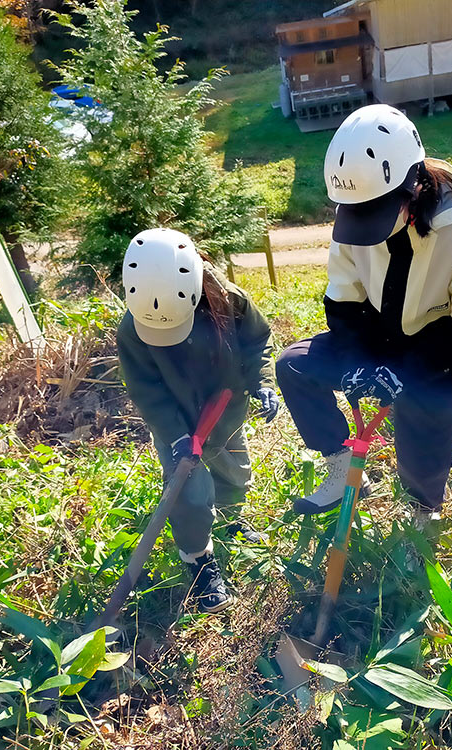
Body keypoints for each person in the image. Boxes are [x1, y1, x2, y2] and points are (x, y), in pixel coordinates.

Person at [277, 105, 452, 521]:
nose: (365, 225)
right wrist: (357, 362)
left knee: (427, 428)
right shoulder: (353, 220)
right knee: (294, 366)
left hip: (439, 354)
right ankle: (343, 465)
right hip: (376, 340)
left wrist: (408, 372)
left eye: (377, 211)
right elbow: (344, 302)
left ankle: (423, 510)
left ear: (413, 184)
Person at [116, 228, 278, 614]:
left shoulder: (230, 302)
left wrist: (262, 382)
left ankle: (231, 519)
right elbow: (146, 390)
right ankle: (198, 559)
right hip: (175, 423)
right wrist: (174, 436)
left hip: (227, 413)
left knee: (234, 476)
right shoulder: (133, 331)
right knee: (188, 495)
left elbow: (257, 342)